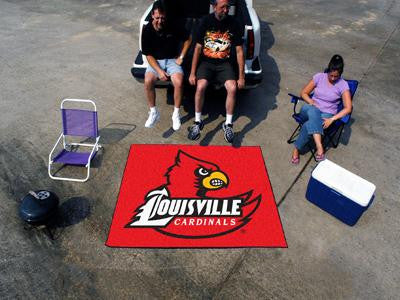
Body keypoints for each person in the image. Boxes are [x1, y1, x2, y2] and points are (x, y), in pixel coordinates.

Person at [188, 0, 245, 143]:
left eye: (228, 7)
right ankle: (197, 122)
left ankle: (228, 124)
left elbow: (239, 51)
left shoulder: (234, 23)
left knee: (232, 88)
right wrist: (192, 73)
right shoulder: (205, 22)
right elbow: (198, 48)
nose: (226, 10)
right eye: (222, 7)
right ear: (214, 7)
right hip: (206, 63)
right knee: (200, 87)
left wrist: (241, 77)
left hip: (225, 64)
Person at [291, 54, 352, 164]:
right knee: (313, 110)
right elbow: (303, 93)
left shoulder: (343, 85)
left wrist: (332, 119)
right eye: (331, 75)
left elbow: (348, 108)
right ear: (328, 70)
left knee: (307, 125)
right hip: (309, 109)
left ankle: (296, 150)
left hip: (326, 115)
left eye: (336, 76)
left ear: (340, 74)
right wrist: (311, 101)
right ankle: (320, 147)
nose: (333, 78)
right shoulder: (319, 77)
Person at [142, 1, 192, 130]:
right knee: (148, 81)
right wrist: (159, 71)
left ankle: (175, 114)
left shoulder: (172, 25)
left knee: (179, 82)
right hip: (155, 61)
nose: (160, 21)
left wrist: (181, 57)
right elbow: (148, 55)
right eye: (157, 17)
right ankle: (153, 112)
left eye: (162, 18)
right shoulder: (147, 29)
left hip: (171, 60)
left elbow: (188, 39)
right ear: (152, 15)